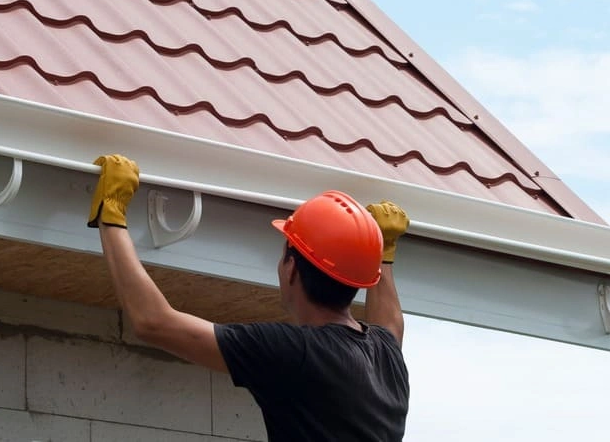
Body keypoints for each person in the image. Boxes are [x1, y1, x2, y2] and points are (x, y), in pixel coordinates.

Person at [89, 154, 410, 441]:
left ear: (292, 268)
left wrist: (112, 213)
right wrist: (382, 252)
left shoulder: (296, 353)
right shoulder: (385, 356)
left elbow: (154, 323)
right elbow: (390, 323)